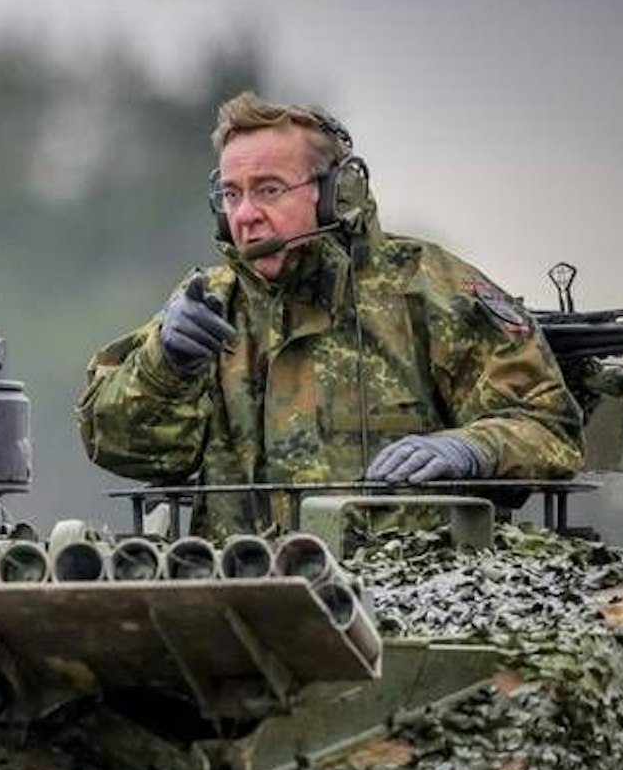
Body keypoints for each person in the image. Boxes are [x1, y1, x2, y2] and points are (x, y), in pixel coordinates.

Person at [75, 92, 582, 536]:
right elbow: (119, 445)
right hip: (248, 601)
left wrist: (472, 449)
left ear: (337, 194)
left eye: (269, 189)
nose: (246, 214)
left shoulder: (428, 290)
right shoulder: (211, 305)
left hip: (408, 603)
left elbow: (550, 428)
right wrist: (166, 365)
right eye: (231, 194)